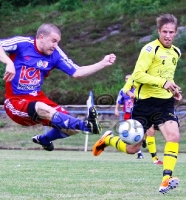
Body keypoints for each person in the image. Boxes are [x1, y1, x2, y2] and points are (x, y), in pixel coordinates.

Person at [93, 14, 182, 194]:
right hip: (145, 104)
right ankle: (108, 139)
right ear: (158, 31)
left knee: (173, 136)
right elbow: (138, 75)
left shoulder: (176, 52)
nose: (167, 35)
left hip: (165, 103)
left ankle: (166, 178)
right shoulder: (149, 50)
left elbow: (167, 76)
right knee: (132, 148)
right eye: (164, 31)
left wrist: (173, 89)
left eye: (171, 32)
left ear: (176, 33)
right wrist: (162, 83)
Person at [0, 23, 116, 151]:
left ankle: (44, 139)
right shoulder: (23, 44)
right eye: (53, 41)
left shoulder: (56, 54)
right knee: (43, 107)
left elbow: (77, 72)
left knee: (72, 128)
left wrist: (103, 63)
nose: (56, 45)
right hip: (15, 101)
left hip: (38, 98)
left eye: (58, 42)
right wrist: (8, 62)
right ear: (41, 37)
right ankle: (88, 126)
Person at [115, 74, 144, 159]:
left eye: (129, 79)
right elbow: (119, 100)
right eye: (126, 79)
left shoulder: (137, 89)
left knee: (139, 130)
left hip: (137, 113)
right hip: (127, 114)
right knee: (128, 133)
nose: (127, 80)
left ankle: (143, 141)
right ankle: (139, 152)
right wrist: (116, 109)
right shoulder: (123, 90)